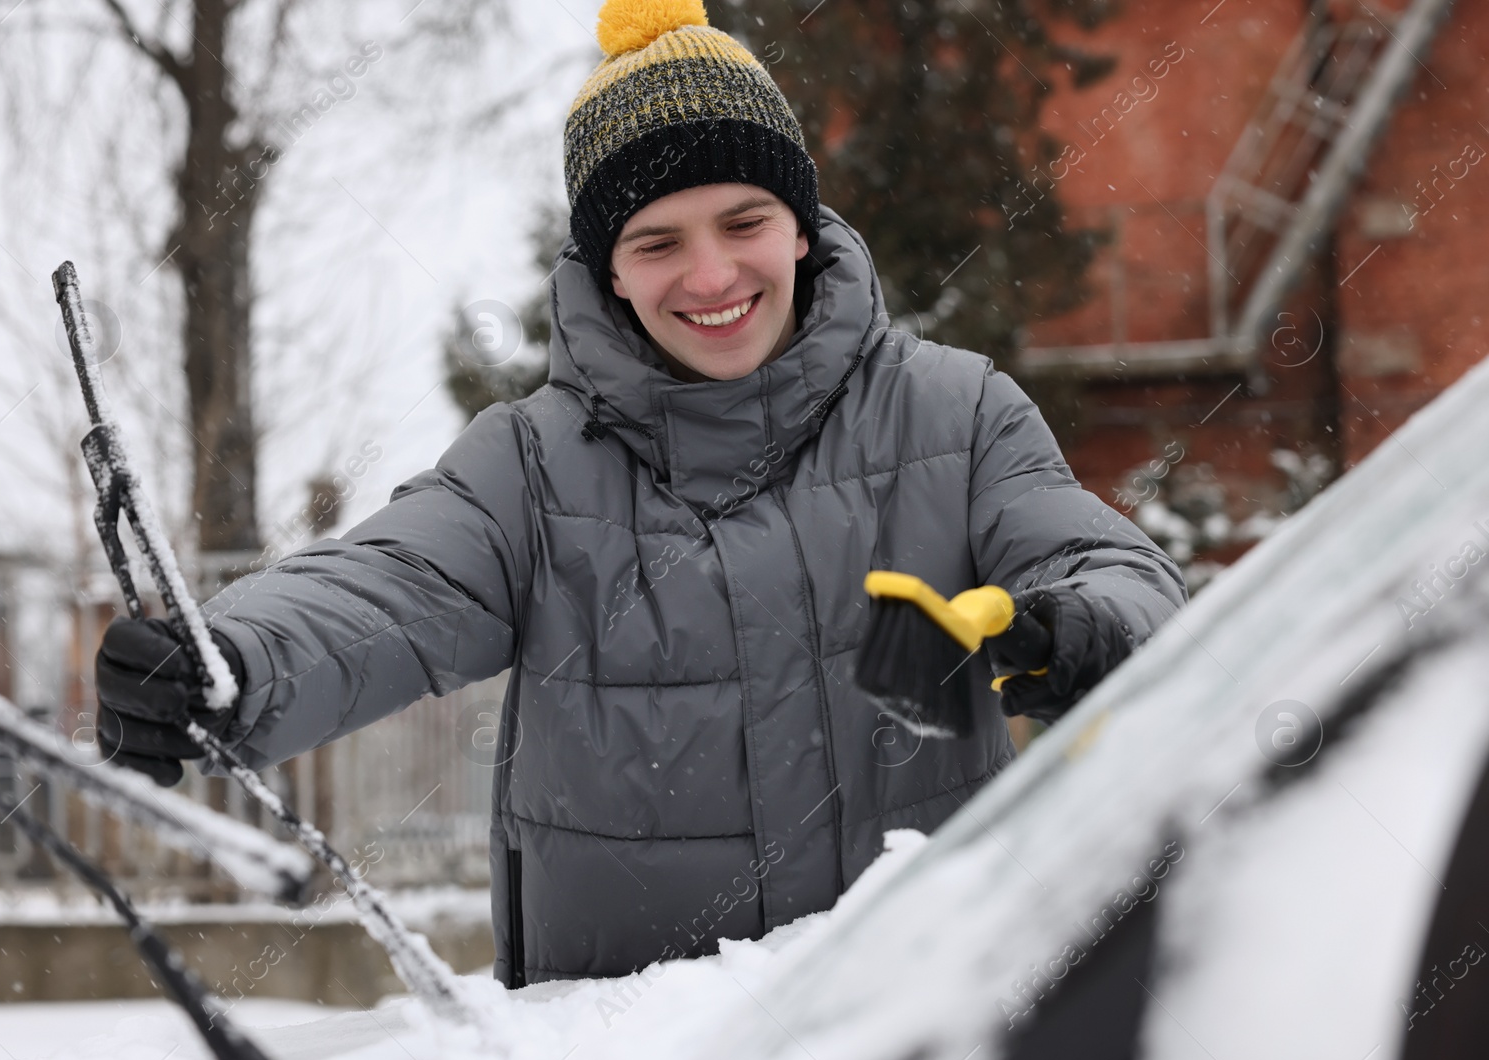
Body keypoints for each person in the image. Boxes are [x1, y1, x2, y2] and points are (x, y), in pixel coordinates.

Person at [94, 0, 1186, 987]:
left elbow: (1109, 568)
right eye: (657, 241)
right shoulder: (528, 465)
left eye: (745, 221)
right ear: (607, 269)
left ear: (802, 225)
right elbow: (388, 584)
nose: (710, 276)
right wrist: (228, 657)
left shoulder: (954, 414)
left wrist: (1081, 627)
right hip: (619, 1033)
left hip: (923, 1009)